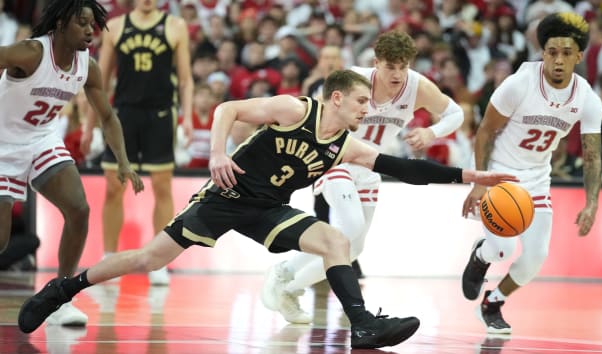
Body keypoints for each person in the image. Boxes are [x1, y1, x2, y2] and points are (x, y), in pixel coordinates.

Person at [18, 69, 517, 349]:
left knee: (335, 239)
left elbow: (402, 168)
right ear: (338, 98)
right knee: (148, 259)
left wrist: (470, 177)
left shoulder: (343, 146)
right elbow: (227, 109)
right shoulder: (297, 111)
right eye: (362, 100)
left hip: (267, 208)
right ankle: (64, 288)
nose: (369, 109)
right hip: (225, 197)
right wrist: (217, 153)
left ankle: (363, 324)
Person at [261, 30, 465, 324]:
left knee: (355, 247)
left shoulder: (417, 87)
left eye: (403, 66)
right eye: (390, 66)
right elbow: (315, 114)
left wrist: (431, 132)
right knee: (350, 225)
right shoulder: (354, 79)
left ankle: (289, 289)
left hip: (371, 167)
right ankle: (283, 270)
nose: (397, 74)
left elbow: (455, 113)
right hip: (336, 159)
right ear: (376, 62)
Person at [0, 0, 143, 327]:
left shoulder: (87, 66)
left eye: (93, 25)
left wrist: (123, 162)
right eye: (82, 24)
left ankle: (58, 297)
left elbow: (107, 116)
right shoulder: (31, 53)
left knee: (79, 210)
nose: (90, 32)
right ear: (61, 24)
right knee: (1, 241)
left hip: (40, 139)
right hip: (3, 144)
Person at [460, 13, 602, 334]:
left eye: (566, 53)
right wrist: (480, 182)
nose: (558, 59)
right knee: (504, 249)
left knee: (536, 258)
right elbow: (484, 133)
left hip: (537, 179)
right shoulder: (519, 84)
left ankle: (493, 302)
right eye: (551, 52)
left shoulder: (587, 99)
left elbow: (592, 157)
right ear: (543, 53)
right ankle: (482, 256)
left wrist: (592, 203)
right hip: (499, 174)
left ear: (578, 57)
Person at [92, 0, 193, 285]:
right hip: (123, 113)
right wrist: (89, 124)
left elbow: (185, 80)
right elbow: (98, 79)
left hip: (161, 113)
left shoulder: (175, 26)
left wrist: (187, 116)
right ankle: (109, 257)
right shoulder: (116, 26)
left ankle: (159, 260)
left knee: (162, 185)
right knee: (114, 186)